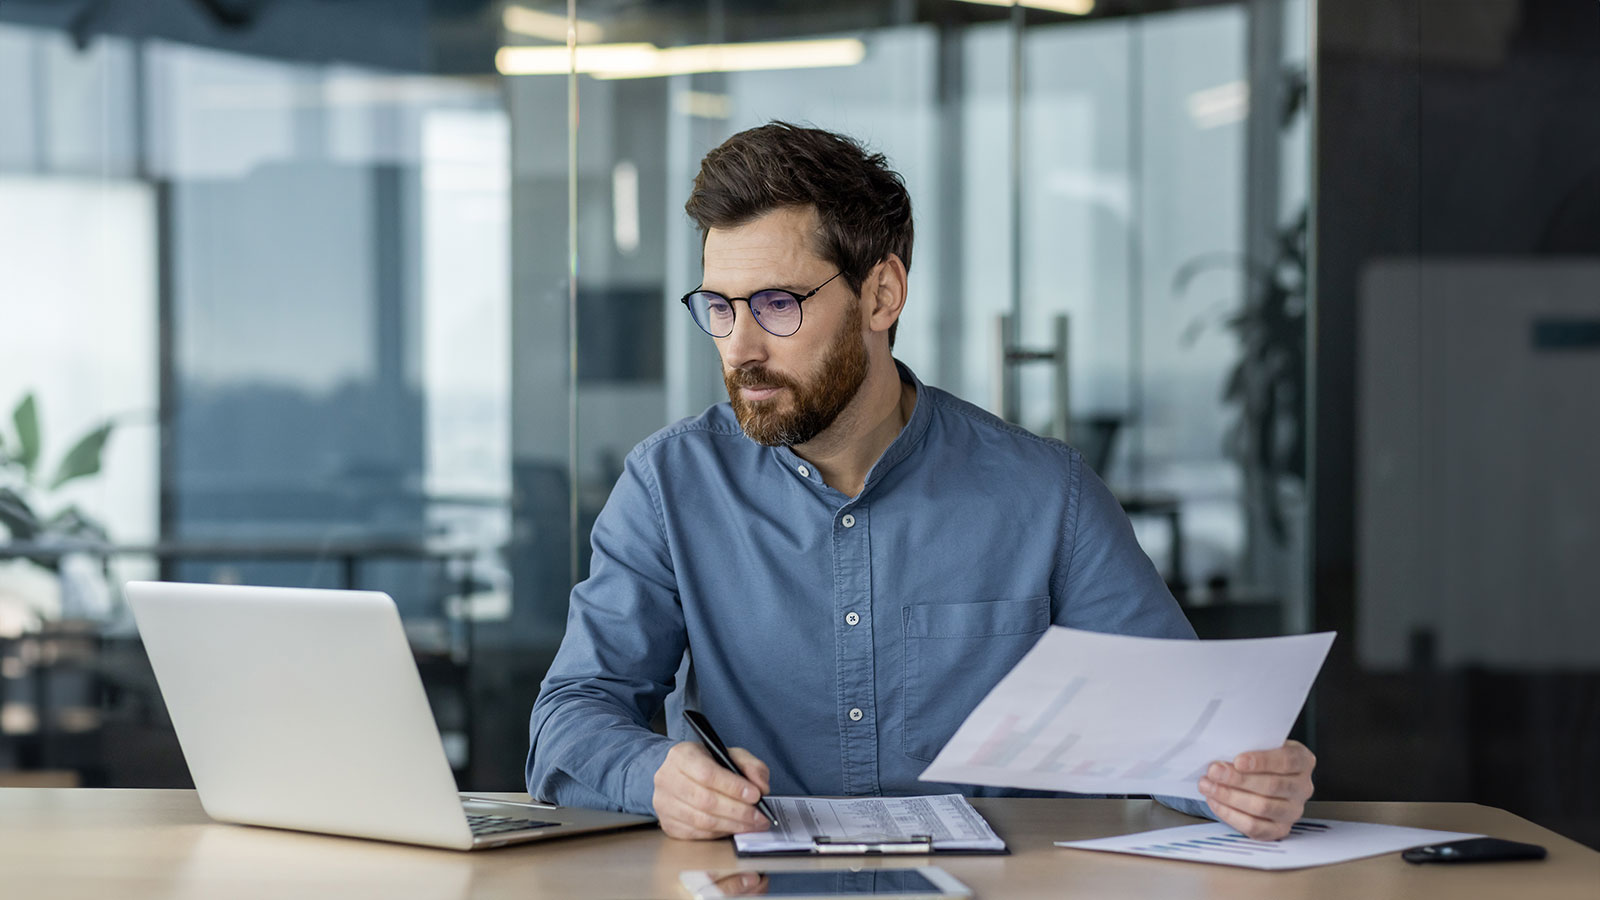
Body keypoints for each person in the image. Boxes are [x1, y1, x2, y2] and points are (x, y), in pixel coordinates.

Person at [526, 121, 1315, 842]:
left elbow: (1186, 740)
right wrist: (658, 776)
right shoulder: (670, 487)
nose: (741, 347)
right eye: (720, 308)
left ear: (882, 293)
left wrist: (1247, 783)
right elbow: (567, 722)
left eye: (776, 304)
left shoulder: (1045, 496)